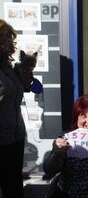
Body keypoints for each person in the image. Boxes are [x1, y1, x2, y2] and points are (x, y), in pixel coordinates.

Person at [0, 20, 31, 198]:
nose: (7, 41)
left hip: (15, 136)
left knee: (13, 187)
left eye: (8, 37)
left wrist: (28, 81)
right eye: (2, 36)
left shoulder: (8, 67)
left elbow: (26, 88)